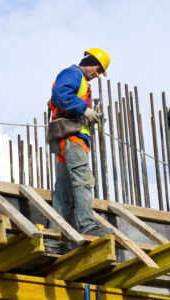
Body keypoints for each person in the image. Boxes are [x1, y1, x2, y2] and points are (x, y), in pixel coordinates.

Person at [45, 48, 114, 254]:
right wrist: (84, 109)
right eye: (98, 70)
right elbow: (60, 94)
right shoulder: (75, 73)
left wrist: (88, 114)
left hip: (66, 139)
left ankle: (51, 242)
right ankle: (88, 226)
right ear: (91, 62)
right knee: (83, 181)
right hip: (72, 138)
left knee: (63, 195)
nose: (98, 75)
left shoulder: (81, 81)